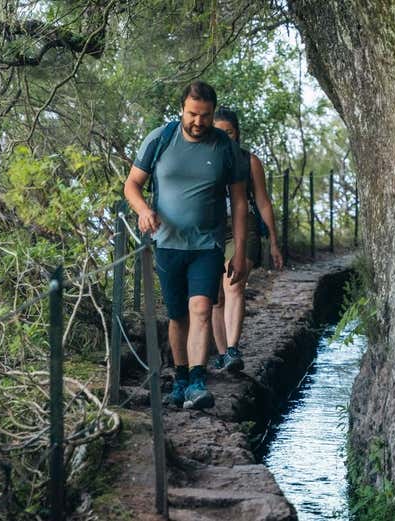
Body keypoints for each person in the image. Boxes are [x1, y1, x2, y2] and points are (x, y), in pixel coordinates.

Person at [124, 81, 249, 409]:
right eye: (193, 114)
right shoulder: (160, 139)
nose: (198, 121)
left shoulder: (225, 147)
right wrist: (143, 210)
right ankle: (180, 380)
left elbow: (238, 202)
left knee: (201, 309)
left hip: (207, 245)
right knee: (178, 315)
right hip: (168, 244)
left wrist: (241, 253)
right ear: (182, 109)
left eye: (205, 116)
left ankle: (197, 380)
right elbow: (132, 185)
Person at [211, 107, 284, 372]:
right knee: (214, 296)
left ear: (237, 134)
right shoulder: (204, 159)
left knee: (233, 285)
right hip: (211, 229)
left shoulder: (248, 160)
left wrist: (274, 240)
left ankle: (232, 348)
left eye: (229, 132)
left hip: (246, 227)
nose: (225, 137)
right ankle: (221, 353)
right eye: (219, 132)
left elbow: (263, 202)